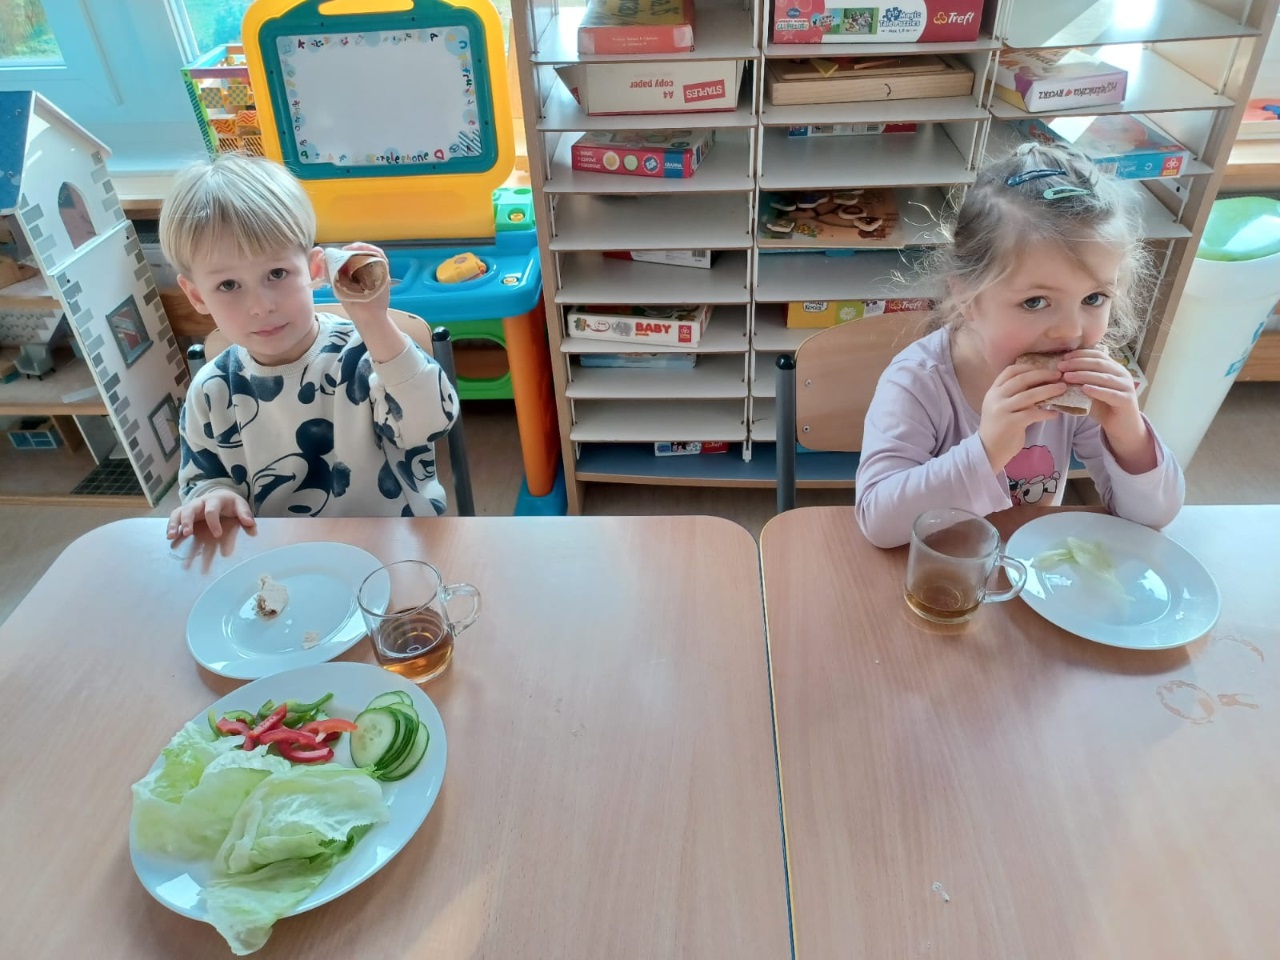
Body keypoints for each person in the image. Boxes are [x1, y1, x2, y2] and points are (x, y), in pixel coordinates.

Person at [854, 142, 1184, 548]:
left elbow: (1152, 517)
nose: (1070, 331)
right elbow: (879, 523)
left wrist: (1130, 437)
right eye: (1035, 302)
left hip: (1032, 568)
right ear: (967, 299)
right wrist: (987, 450)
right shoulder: (919, 383)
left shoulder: (1079, 391)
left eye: (1094, 298)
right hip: (939, 566)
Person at [159, 153, 458, 540]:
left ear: (315, 270)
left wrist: (374, 321)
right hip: (283, 557)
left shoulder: (366, 355)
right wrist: (215, 497)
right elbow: (202, 481)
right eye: (228, 285)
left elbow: (431, 423)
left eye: (277, 273)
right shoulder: (210, 391)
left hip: (390, 543)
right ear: (197, 295)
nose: (260, 306)